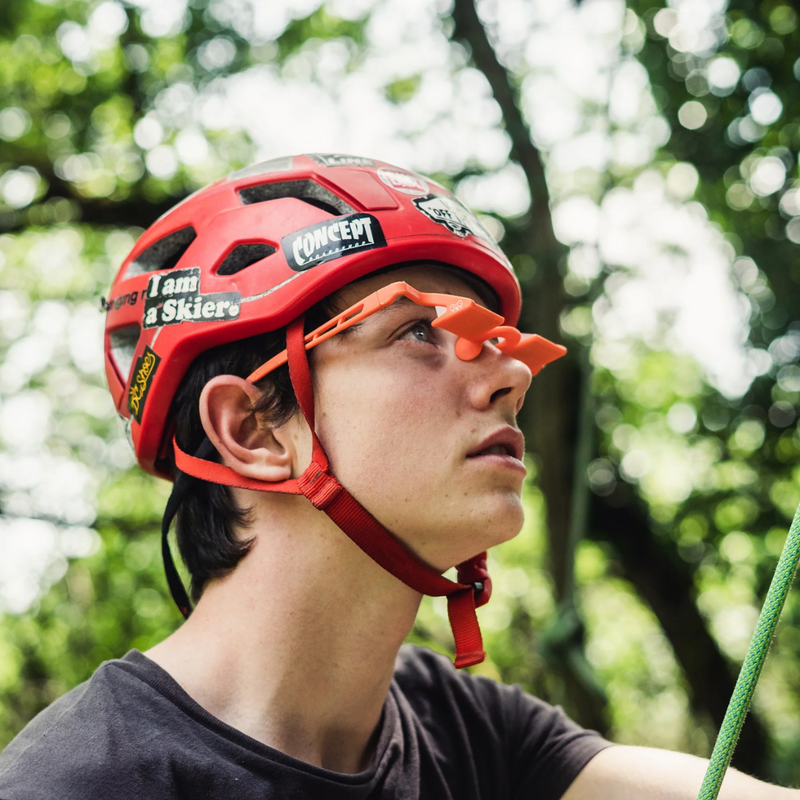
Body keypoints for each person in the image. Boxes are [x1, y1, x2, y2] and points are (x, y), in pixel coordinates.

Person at [0, 154, 793, 799]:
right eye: (419, 330)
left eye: (497, 339)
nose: (511, 372)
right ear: (249, 431)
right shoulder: (79, 784)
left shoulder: (463, 731)